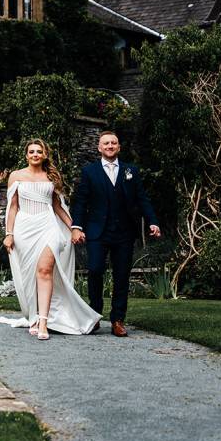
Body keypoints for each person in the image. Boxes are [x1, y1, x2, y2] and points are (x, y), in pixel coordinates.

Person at [0, 139, 101, 339]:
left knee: (45, 271)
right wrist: (9, 234)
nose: (35, 154)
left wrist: (75, 228)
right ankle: (34, 317)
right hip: (24, 228)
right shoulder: (16, 176)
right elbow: (12, 207)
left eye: (39, 151)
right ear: (26, 155)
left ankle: (43, 322)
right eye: (31, 151)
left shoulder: (51, 176)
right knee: (29, 275)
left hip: (48, 226)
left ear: (45, 154)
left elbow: (57, 207)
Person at [70, 131, 161, 337]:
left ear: (119, 147)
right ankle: (94, 316)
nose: (110, 146)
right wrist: (77, 227)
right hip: (97, 231)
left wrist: (152, 221)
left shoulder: (131, 170)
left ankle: (118, 320)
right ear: (99, 148)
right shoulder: (89, 171)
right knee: (94, 270)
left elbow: (142, 199)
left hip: (124, 232)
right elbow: (81, 201)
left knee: (122, 275)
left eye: (113, 143)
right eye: (106, 143)